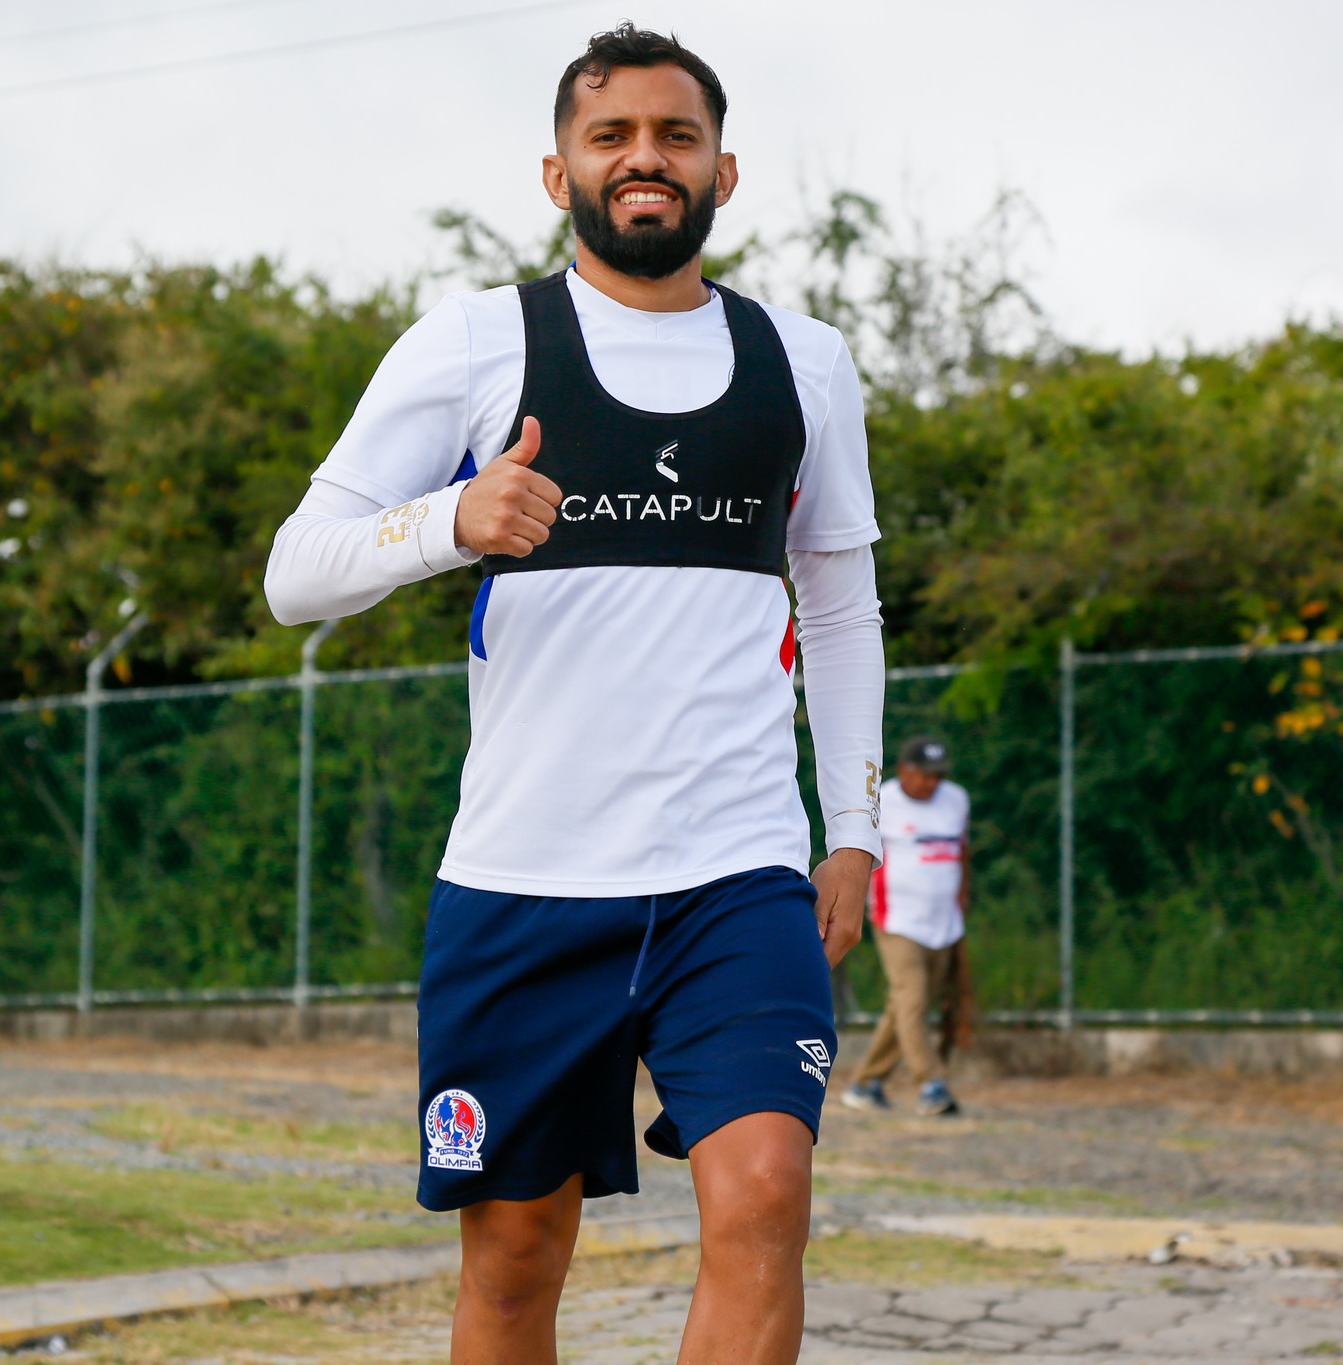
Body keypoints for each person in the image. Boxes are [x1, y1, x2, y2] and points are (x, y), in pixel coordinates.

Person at [262, 24, 884, 1365]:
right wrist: (449, 521)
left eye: (675, 136)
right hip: (524, 882)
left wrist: (853, 829)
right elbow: (294, 574)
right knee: (513, 1260)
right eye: (611, 136)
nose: (643, 158)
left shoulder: (806, 361)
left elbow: (839, 609)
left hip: (737, 874)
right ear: (560, 174)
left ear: (723, 171)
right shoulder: (474, 343)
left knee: (765, 1200)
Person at [842, 736, 973, 1118]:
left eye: (938, 775)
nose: (933, 782)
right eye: (925, 775)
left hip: (943, 922)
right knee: (912, 996)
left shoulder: (956, 799)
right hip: (897, 919)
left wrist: (961, 905)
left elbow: (962, 854)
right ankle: (931, 1084)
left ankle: (865, 1083)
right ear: (904, 770)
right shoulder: (881, 800)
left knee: (906, 1004)